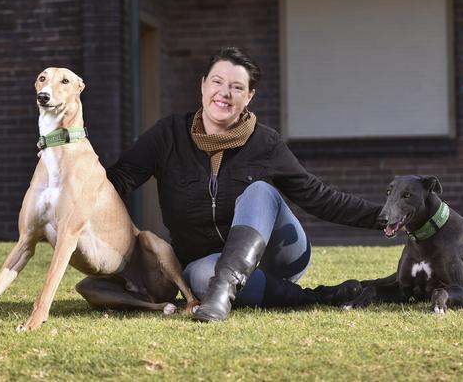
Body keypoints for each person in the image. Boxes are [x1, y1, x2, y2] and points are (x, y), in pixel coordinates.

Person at [106, 47, 381, 322]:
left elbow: (319, 197)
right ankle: (320, 296)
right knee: (203, 278)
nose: (224, 93)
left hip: (278, 256)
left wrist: (387, 218)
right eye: (217, 82)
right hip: (205, 260)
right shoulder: (168, 136)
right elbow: (117, 180)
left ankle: (223, 293)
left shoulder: (265, 143)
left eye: (237, 87)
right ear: (203, 85)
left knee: (260, 191)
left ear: (249, 96)